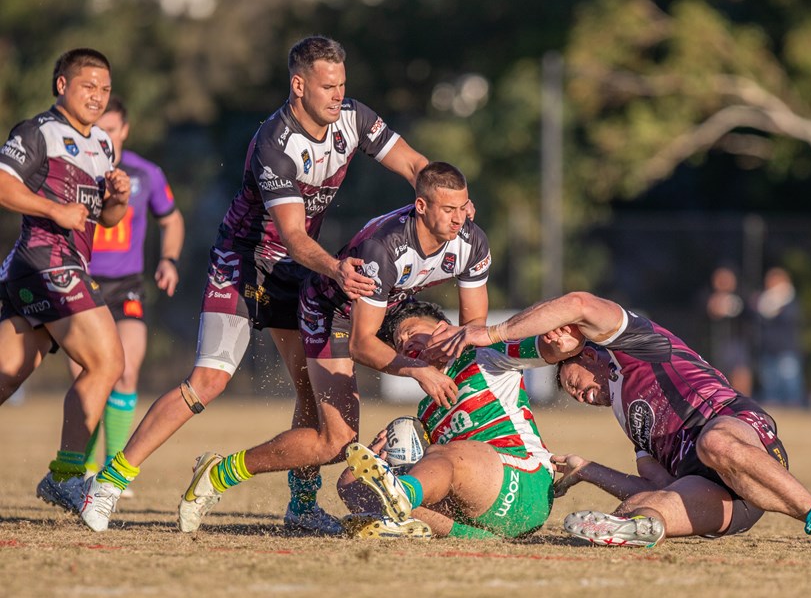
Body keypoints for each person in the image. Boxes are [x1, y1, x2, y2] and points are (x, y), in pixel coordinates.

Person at [80, 36, 429, 533]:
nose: (338, 96)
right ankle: (110, 482)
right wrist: (335, 270)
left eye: (343, 85)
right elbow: (292, 235)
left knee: (311, 394)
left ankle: (302, 507)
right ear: (298, 85)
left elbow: (417, 167)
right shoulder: (274, 142)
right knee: (209, 381)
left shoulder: (354, 119)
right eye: (328, 87)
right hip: (242, 265)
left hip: (298, 270)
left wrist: (447, 199)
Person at [170, 162, 491, 535]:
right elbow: (362, 344)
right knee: (336, 441)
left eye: (463, 207)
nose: (459, 219)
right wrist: (419, 369)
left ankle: (302, 506)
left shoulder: (471, 241)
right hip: (329, 313)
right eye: (448, 210)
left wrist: (449, 346)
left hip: (386, 309)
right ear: (421, 206)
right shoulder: (384, 248)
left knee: (320, 420)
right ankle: (221, 472)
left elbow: (473, 328)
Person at [423, 291, 811, 547]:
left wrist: (492, 334)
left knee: (715, 445)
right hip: (736, 504)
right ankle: (638, 533)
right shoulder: (631, 425)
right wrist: (588, 470)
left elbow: (578, 304)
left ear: (587, 355)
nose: (584, 398)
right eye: (578, 397)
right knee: (637, 507)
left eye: (578, 385)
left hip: (736, 429)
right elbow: (658, 484)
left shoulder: (634, 341)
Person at [0, 48, 130, 511]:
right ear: (62, 86)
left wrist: (118, 197)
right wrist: (55, 210)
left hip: (51, 266)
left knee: (7, 375)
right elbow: (3, 183)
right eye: (87, 86)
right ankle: (67, 475)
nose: (97, 96)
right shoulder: (38, 132)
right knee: (107, 361)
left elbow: (108, 220)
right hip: (46, 260)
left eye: (105, 89)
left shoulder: (102, 145)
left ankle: (66, 474)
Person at [336, 300, 573, 539]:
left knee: (447, 453)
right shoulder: (425, 410)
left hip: (526, 488)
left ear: (442, 328)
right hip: (478, 509)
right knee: (351, 482)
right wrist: (384, 458)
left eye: (411, 332)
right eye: (399, 344)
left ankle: (402, 496)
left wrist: (560, 345)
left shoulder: (484, 354)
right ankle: (468, 534)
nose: (405, 343)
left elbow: (550, 350)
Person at [66, 96, 185, 485]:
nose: (106, 137)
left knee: (126, 371)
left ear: (125, 131)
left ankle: (112, 468)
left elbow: (171, 219)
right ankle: (77, 470)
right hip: (80, 286)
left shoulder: (145, 173)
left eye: (113, 130)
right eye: (99, 129)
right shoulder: (74, 170)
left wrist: (169, 260)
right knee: (88, 374)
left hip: (127, 288)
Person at [753, 267, 806, 407]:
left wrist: (776, 311)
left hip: (786, 349)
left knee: (790, 388)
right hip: (768, 348)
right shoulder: (762, 300)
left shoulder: (790, 299)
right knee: (770, 388)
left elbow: (790, 318)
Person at [705, 265, 752, 396]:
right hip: (714, 344)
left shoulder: (743, 295)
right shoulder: (708, 296)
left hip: (736, 341)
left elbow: (750, 311)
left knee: (740, 372)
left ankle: (742, 401)